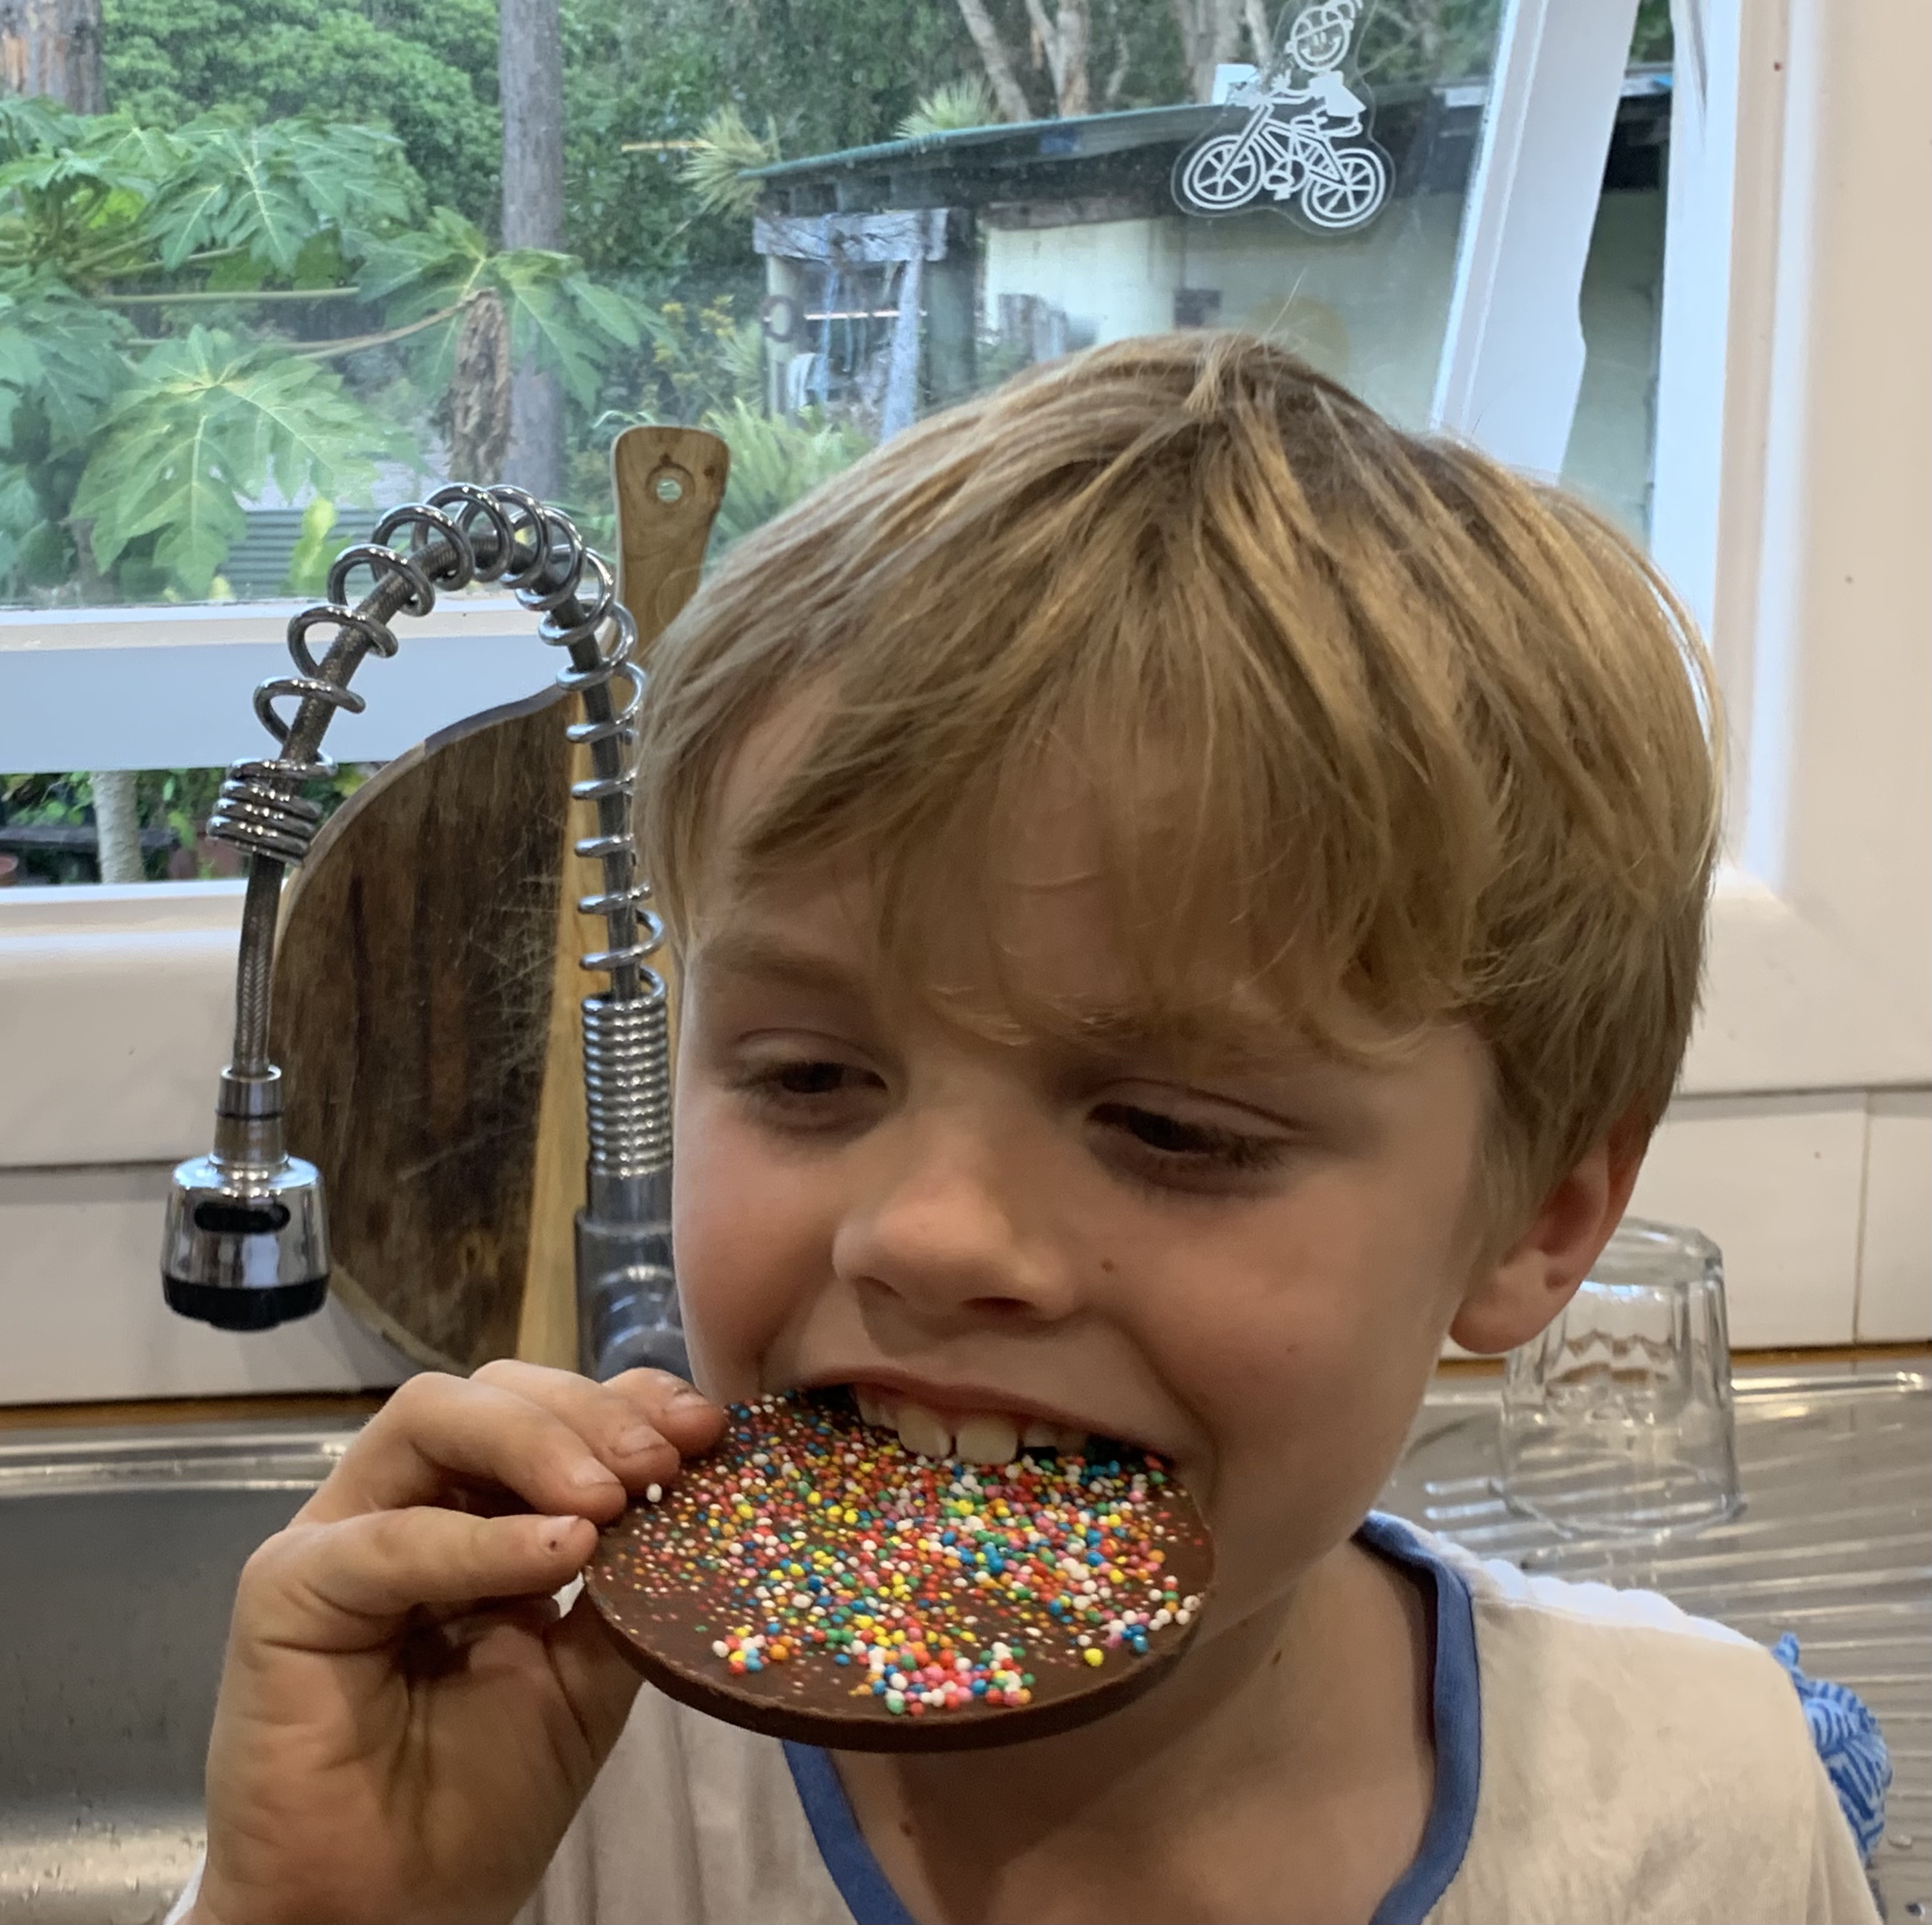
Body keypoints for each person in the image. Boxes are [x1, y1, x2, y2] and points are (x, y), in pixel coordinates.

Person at [174, 333, 1879, 1925]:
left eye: (1167, 1124)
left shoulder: (1699, 1809)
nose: (925, 1234)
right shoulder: (515, 1779)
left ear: (1540, 1219)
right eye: (808, 1076)